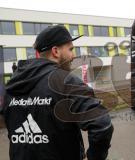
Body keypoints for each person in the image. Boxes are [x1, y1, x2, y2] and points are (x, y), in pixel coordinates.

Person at [3, 25, 113, 160]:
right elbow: (102, 125)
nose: (73, 56)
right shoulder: (66, 81)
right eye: (70, 49)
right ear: (56, 51)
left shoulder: (12, 84)